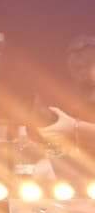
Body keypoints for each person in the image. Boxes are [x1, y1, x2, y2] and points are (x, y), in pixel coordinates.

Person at [40, 35, 95, 166]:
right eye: (76, 67)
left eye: (87, 64)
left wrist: (75, 127)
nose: (81, 71)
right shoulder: (66, 99)